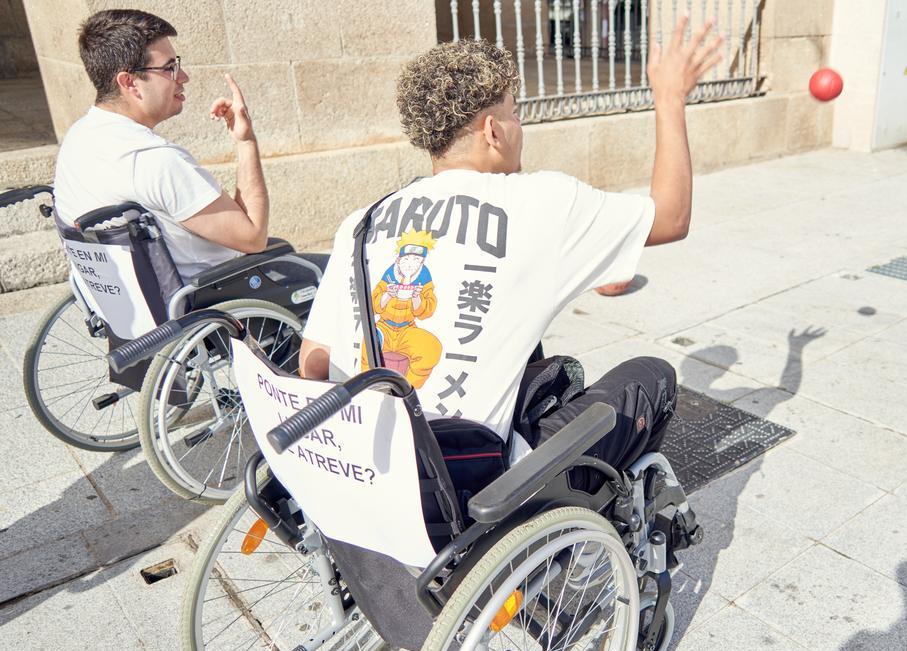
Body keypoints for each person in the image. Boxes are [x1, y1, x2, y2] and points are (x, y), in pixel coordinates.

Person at [300, 16, 723, 483]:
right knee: (652, 376)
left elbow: (313, 360)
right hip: (475, 482)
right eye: (515, 112)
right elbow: (671, 217)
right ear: (492, 131)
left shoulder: (361, 222)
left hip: (379, 470)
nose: (520, 125)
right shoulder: (543, 202)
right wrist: (669, 97)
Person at [53, 8, 268, 280]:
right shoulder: (155, 162)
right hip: (208, 300)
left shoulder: (77, 139)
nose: (183, 76)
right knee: (318, 270)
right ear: (129, 82)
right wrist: (246, 141)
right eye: (169, 68)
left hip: (127, 309)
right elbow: (253, 237)